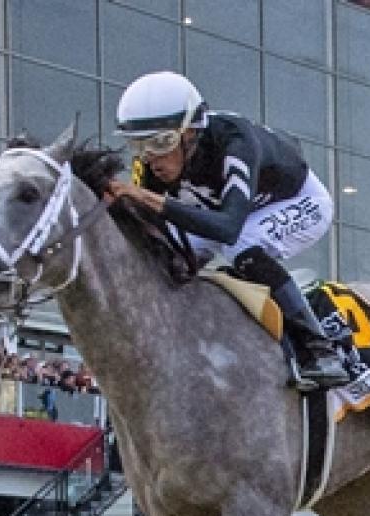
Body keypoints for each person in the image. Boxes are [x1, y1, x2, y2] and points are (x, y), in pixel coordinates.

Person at [109, 71, 348, 391]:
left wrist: (148, 199)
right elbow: (153, 229)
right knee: (167, 259)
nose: (151, 158)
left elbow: (228, 228)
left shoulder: (234, 142)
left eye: (161, 142)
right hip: (228, 210)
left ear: (191, 133)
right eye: (138, 145)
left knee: (242, 247)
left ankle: (320, 349)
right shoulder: (153, 164)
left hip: (296, 201)